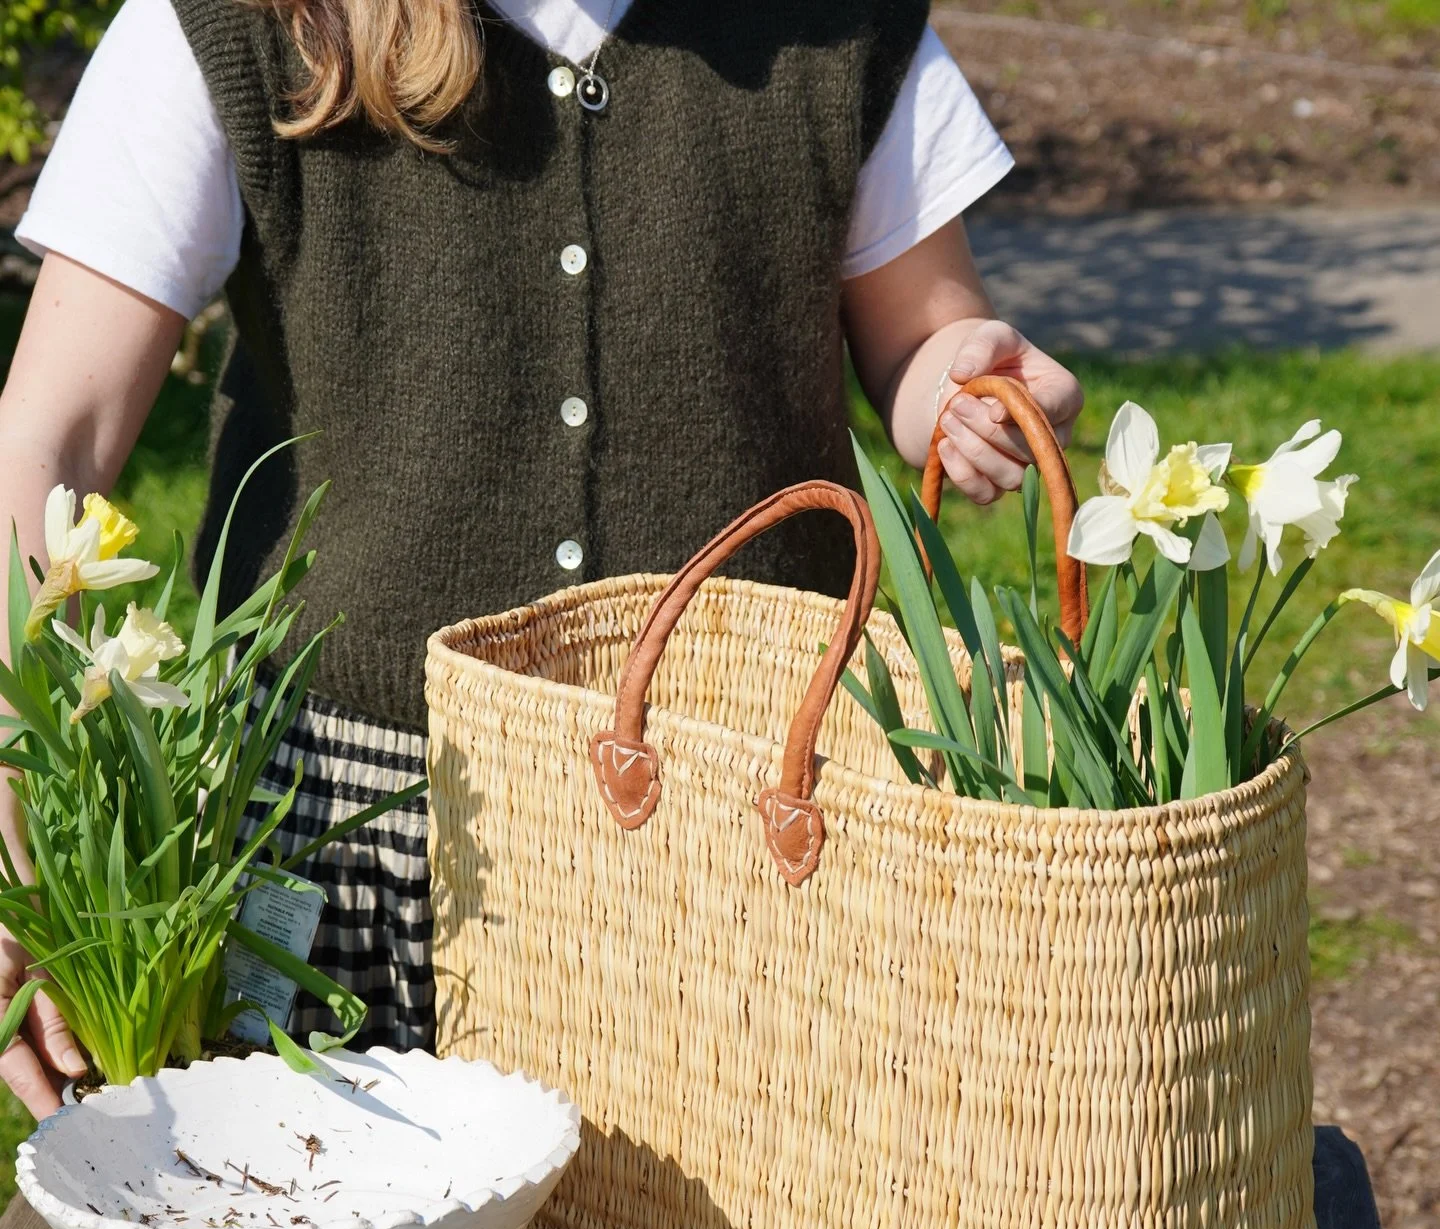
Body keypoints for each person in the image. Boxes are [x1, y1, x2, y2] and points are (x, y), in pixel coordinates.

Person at [0, 0, 1082, 1117]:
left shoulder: (832, 27)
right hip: (357, 847)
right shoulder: (241, 24)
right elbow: (47, 442)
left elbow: (918, 335)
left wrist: (962, 385)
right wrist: (18, 808)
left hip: (746, 821)